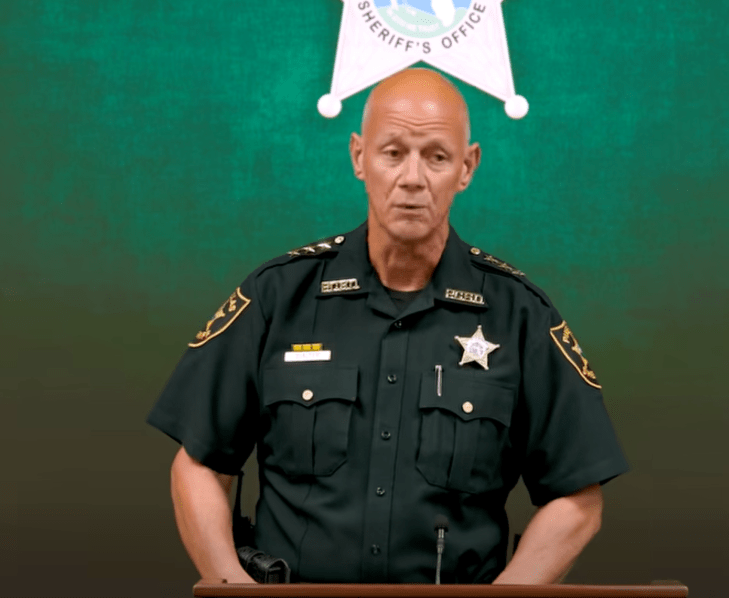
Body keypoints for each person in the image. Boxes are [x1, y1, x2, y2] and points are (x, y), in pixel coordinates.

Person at [147, 68, 629, 585]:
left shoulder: (519, 314)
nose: (413, 178)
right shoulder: (277, 297)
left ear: (467, 167)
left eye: (437, 157)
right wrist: (234, 592)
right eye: (393, 152)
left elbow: (577, 497)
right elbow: (198, 465)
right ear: (359, 157)